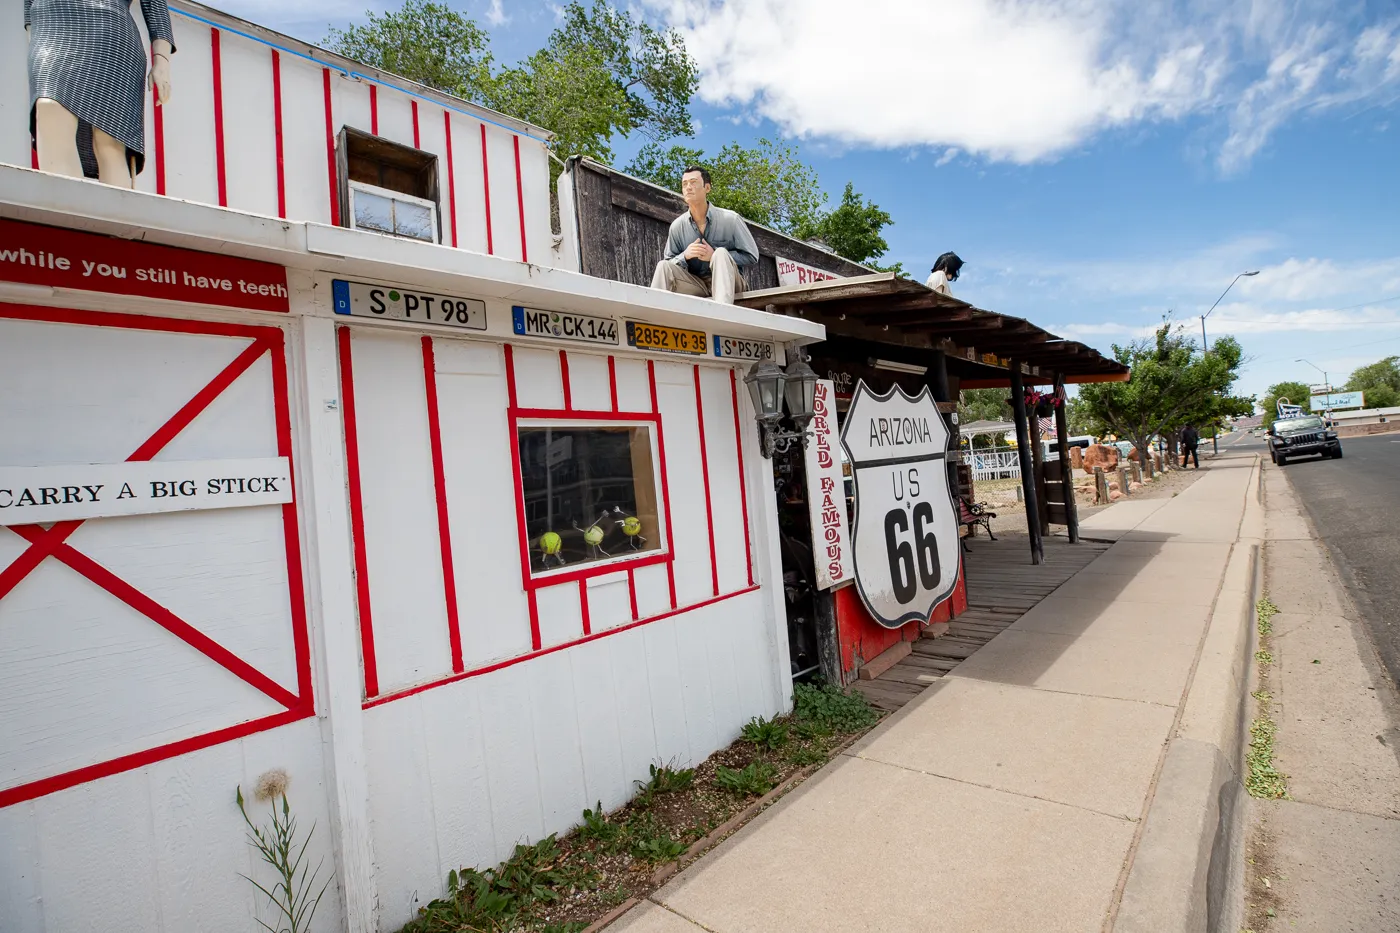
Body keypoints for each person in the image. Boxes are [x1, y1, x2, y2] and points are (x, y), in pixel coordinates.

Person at [651, 166, 759, 304]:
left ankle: (722, 314)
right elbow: (669, 261)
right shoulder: (677, 226)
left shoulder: (731, 219)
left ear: (707, 188)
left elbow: (752, 256)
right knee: (663, 266)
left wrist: (713, 255)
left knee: (720, 253)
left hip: (733, 286)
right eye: (685, 184)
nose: (688, 187)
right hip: (698, 286)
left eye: (693, 182)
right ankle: (653, 319)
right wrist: (685, 256)